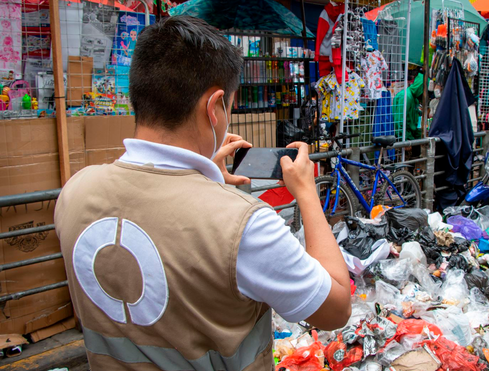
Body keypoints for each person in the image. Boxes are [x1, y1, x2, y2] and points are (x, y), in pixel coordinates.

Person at [54, 16, 351, 371]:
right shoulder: (245, 224)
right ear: (214, 108)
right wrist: (306, 192)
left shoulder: (75, 191)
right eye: (229, 109)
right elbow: (336, 308)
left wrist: (204, 183)